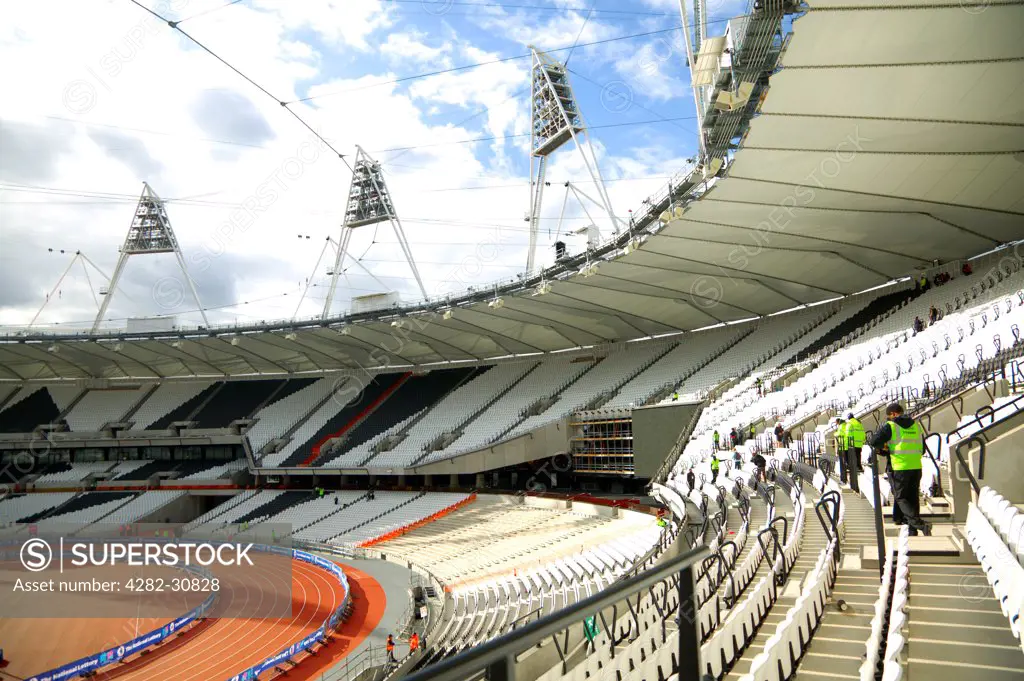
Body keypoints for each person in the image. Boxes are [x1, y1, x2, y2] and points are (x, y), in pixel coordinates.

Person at [868, 403, 931, 536]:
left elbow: (873, 441)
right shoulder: (916, 426)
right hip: (916, 466)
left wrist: (885, 449)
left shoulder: (891, 426)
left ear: (894, 414)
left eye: (889, 417)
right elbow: (923, 448)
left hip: (900, 467)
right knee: (913, 497)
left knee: (901, 497)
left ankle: (919, 524)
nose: (889, 419)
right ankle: (911, 528)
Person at [844, 412, 865, 493]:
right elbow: (863, 432)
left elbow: (848, 434)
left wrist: (847, 443)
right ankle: (859, 467)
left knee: (852, 457)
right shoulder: (859, 423)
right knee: (858, 455)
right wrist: (863, 440)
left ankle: (854, 468)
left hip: (852, 443)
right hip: (859, 443)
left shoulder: (849, 423)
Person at [834, 417, 848, 483]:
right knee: (844, 461)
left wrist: (834, 434)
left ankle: (843, 479)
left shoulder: (841, 426)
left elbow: (839, 433)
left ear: (838, 422)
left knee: (843, 463)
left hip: (843, 445)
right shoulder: (845, 424)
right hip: (845, 445)